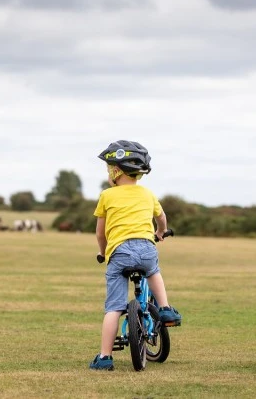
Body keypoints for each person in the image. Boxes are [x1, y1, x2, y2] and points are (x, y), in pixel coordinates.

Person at [89, 140, 182, 371]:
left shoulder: (107, 196)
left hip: (119, 251)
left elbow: (100, 233)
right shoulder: (147, 194)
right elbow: (161, 219)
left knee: (113, 307)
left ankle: (104, 358)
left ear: (115, 171)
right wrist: (160, 232)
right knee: (153, 272)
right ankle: (165, 308)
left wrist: (103, 252)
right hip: (146, 247)